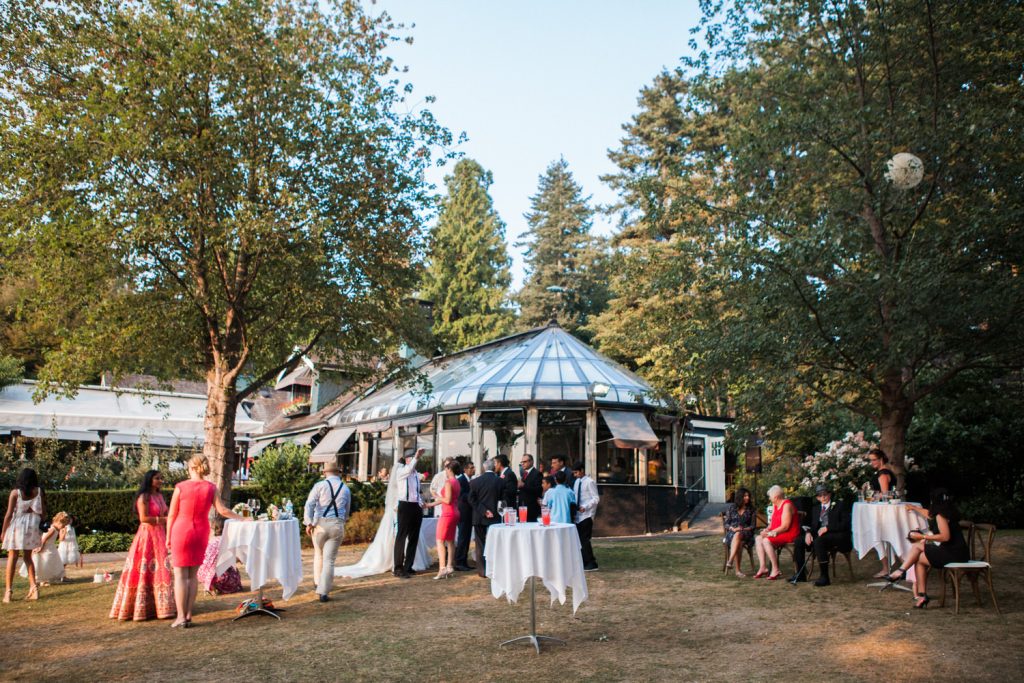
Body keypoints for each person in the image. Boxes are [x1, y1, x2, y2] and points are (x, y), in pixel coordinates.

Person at [166, 455, 245, 628]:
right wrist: (243, 519)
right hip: (201, 532)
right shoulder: (211, 488)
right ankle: (188, 614)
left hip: (181, 531)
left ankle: (180, 616)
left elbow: (172, 515)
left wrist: (167, 537)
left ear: (192, 468)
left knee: (180, 576)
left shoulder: (180, 487)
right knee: (193, 576)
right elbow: (223, 510)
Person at [886, 488, 969, 609]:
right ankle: (922, 596)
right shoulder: (947, 511)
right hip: (959, 553)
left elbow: (945, 537)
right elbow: (928, 514)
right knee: (918, 558)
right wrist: (914, 508)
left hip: (953, 554)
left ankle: (901, 571)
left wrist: (922, 536)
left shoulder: (941, 516)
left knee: (918, 545)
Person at [110, 469, 175, 621]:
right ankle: (140, 606)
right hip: (147, 536)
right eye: (157, 478)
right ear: (149, 480)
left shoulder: (159, 496)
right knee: (144, 567)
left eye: (161, 478)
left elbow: (165, 512)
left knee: (160, 567)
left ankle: (162, 605)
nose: (160, 481)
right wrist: (163, 520)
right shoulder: (143, 497)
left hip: (159, 534)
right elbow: (144, 518)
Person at [303, 461, 351, 600]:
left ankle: (317, 582)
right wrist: (343, 520)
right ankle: (323, 592)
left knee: (318, 555)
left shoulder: (319, 486)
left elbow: (309, 505)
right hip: (336, 524)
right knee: (329, 560)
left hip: (320, 525)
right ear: (338, 473)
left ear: (325, 472)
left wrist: (309, 522)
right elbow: (346, 511)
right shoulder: (345, 489)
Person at [790, 485, 851, 587]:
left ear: (829, 495)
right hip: (820, 534)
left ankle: (824, 577)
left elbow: (845, 524)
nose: (823, 497)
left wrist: (828, 528)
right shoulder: (815, 509)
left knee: (819, 541)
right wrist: (808, 532)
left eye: (825, 494)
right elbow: (807, 523)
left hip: (837, 535)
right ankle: (800, 575)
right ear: (817, 498)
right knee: (799, 541)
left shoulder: (839, 505)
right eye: (820, 496)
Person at [2, 467, 45, 603]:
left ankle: (8, 592)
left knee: (12, 557)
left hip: (18, 525)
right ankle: (34, 588)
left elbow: (9, 514)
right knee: (28, 558)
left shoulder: (15, 493)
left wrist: (3, 532)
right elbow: (44, 513)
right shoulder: (39, 492)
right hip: (33, 525)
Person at [752, 485, 799, 580]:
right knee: (758, 538)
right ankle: (763, 567)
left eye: (770, 496)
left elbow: (785, 526)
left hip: (789, 533)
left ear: (776, 497)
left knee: (766, 540)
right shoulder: (775, 505)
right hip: (778, 531)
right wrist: (767, 530)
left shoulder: (787, 505)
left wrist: (770, 533)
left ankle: (775, 569)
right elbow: (772, 523)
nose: (769, 498)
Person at [425, 459, 461, 579]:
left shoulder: (448, 482)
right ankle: (449, 566)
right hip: (455, 512)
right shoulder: (457, 481)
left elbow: (447, 500)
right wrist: (429, 505)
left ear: (449, 469)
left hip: (447, 514)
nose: (445, 469)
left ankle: (442, 568)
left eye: (446, 467)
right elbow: (449, 500)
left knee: (440, 541)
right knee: (450, 540)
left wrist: (436, 496)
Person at [392, 448, 425, 579]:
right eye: (412, 457)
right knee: (401, 536)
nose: (415, 460)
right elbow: (408, 470)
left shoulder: (416, 474)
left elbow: (416, 492)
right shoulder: (401, 471)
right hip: (405, 505)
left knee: (414, 537)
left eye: (415, 457)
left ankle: (408, 566)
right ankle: (398, 568)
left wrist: (421, 502)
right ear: (407, 459)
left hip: (415, 506)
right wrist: (416, 456)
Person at [468, 458, 503, 578]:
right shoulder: (500, 481)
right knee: (495, 543)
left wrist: (484, 511)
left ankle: (482, 571)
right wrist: (492, 511)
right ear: (494, 468)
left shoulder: (474, 482)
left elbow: (471, 500)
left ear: (484, 468)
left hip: (479, 516)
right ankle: (496, 568)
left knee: (480, 544)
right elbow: (503, 501)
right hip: (496, 516)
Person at [867, 447, 897, 577]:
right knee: (880, 538)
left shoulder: (883, 474)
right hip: (883, 509)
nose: (872, 463)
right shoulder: (882, 472)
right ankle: (888, 568)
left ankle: (887, 568)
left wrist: (872, 496)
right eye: (871, 460)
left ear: (881, 459)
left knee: (880, 537)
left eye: (874, 460)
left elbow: (885, 494)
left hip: (884, 511)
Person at [196, 518, 242, 596]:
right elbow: (234, 560)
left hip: (203, 575)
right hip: (220, 577)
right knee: (234, 571)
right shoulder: (228, 542)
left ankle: (211, 585)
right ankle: (219, 585)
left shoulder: (211, 540)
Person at [571, 462, 600, 571]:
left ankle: (591, 562)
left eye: (576, 472)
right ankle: (584, 561)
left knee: (585, 539)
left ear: (582, 470)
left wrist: (586, 507)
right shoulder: (577, 482)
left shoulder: (590, 482)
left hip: (586, 514)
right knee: (579, 539)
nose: (575, 475)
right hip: (578, 514)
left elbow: (596, 498)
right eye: (574, 473)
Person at [27, 512, 67, 585]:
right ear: (58, 522)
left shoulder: (55, 529)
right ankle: (42, 580)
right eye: (63, 525)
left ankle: (46, 579)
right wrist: (40, 547)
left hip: (51, 547)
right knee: (44, 563)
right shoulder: (52, 529)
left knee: (49, 563)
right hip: (46, 548)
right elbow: (44, 539)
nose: (63, 527)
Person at [724, 488, 755, 578]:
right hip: (732, 533)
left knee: (739, 535)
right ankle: (737, 570)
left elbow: (753, 526)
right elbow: (726, 523)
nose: (747, 498)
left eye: (748, 496)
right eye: (745, 496)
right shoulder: (732, 508)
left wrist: (742, 529)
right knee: (739, 540)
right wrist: (732, 528)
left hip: (747, 533)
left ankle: (730, 561)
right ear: (740, 497)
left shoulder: (751, 509)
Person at [453, 457, 475, 571]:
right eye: (471, 468)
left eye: (473, 467)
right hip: (463, 512)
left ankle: (464, 561)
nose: (473, 469)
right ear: (465, 469)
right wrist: (475, 497)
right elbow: (462, 496)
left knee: (466, 538)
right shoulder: (461, 480)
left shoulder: (470, 480)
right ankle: (459, 562)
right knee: (462, 537)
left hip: (469, 512)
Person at [518, 454, 543, 522]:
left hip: (531, 508)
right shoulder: (524, 474)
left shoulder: (537, 473)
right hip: (522, 507)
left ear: (531, 462)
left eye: (525, 462)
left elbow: (538, 490)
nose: (523, 464)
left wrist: (524, 485)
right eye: (522, 462)